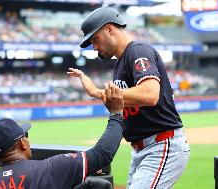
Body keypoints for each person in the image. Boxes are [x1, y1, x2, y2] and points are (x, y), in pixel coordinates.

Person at [67, 6, 190, 189]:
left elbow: (150, 93)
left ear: (109, 29)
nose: (95, 47)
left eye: (95, 39)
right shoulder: (121, 63)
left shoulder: (138, 51)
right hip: (142, 149)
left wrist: (98, 92)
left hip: (161, 144)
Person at [0, 82, 124, 189]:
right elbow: (102, 154)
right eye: (26, 135)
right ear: (22, 143)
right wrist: (117, 114)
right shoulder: (50, 168)